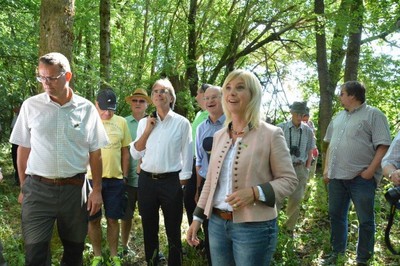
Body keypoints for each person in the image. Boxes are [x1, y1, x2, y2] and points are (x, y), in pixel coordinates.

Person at [186, 69, 298, 266]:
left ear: (253, 95)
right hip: (217, 225)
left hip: (254, 228)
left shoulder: (271, 134)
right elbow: (211, 182)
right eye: (227, 88)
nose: (231, 93)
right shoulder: (220, 135)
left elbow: (289, 181)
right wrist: (197, 217)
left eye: (239, 88)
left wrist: (255, 192)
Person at [9, 52, 108, 266]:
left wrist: (97, 190)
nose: (46, 83)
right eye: (41, 77)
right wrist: (24, 186)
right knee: (35, 254)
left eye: (52, 78)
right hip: (37, 189)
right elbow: (22, 149)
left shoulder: (87, 109)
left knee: (74, 252)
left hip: (74, 190)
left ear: (68, 76)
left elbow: (95, 152)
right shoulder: (31, 106)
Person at [323, 81, 391, 265]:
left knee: (365, 220)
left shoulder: (373, 115)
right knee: (336, 216)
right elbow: (329, 144)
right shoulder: (338, 117)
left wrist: (370, 171)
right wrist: (327, 169)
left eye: (342, 93)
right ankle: (337, 254)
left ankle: (363, 259)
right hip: (336, 178)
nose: (340, 97)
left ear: (352, 95)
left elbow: (384, 145)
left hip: (361, 179)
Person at [131, 78, 192, 265]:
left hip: (171, 182)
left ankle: (175, 262)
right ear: (152, 98)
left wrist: (182, 182)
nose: (159, 93)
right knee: (149, 227)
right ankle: (152, 261)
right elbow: (135, 152)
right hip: (147, 181)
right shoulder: (144, 123)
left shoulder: (182, 123)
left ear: (171, 97)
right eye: (155, 91)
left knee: (173, 228)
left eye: (164, 90)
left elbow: (187, 154)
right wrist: (148, 130)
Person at [88, 88, 132, 266]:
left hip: (115, 180)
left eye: (111, 109)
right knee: (93, 219)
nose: (107, 113)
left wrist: (125, 176)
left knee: (113, 218)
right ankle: (97, 255)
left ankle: (114, 255)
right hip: (91, 179)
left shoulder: (121, 122)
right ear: (96, 104)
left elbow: (125, 152)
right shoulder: (88, 122)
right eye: (104, 108)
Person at [194, 85, 225, 265]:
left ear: (223, 99)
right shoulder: (200, 129)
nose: (210, 101)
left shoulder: (232, 124)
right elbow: (199, 162)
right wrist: (199, 189)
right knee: (208, 224)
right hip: (206, 182)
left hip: (227, 183)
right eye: (207, 98)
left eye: (215, 97)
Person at [120, 88, 151, 256]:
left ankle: (151, 250)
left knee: (149, 217)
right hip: (128, 179)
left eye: (142, 101)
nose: (138, 103)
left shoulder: (154, 122)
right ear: (131, 103)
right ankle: (123, 247)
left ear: (147, 104)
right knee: (125, 216)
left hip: (149, 180)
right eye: (135, 100)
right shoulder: (123, 122)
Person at [276, 101, 315, 233]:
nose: (299, 116)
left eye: (302, 114)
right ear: (291, 113)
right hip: (282, 168)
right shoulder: (280, 128)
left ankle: (289, 229)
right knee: (277, 198)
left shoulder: (308, 131)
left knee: (296, 200)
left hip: (300, 168)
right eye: (297, 113)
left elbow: (310, 150)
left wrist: (307, 168)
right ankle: (272, 227)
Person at [184, 83, 210, 225]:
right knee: (189, 199)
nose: (195, 96)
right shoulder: (199, 114)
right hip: (193, 162)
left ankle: (207, 241)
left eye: (198, 93)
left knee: (202, 198)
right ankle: (195, 236)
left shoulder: (216, 114)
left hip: (207, 162)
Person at [302, 107, 319, 179]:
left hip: (313, 151)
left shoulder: (311, 123)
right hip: (304, 154)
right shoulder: (299, 124)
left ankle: (310, 187)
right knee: (303, 176)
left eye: (307, 116)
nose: (306, 118)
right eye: (305, 116)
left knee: (310, 176)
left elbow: (313, 136)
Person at [11, 105, 21, 186]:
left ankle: (20, 179)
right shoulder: (16, 117)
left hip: (22, 142)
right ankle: (17, 178)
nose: (15, 109)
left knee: (20, 158)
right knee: (15, 158)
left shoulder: (23, 116)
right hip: (15, 142)